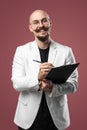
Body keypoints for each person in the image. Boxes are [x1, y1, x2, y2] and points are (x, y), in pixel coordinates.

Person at [11, 9, 78, 130]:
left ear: (50, 24)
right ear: (30, 28)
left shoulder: (66, 51)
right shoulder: (21, 51)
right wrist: (38, 77)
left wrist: (52, 88)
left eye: (44, 21)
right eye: (36, 22)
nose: (41, 25)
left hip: (56, 120)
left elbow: (73, 85)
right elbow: (17, 83)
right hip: (27, 119)